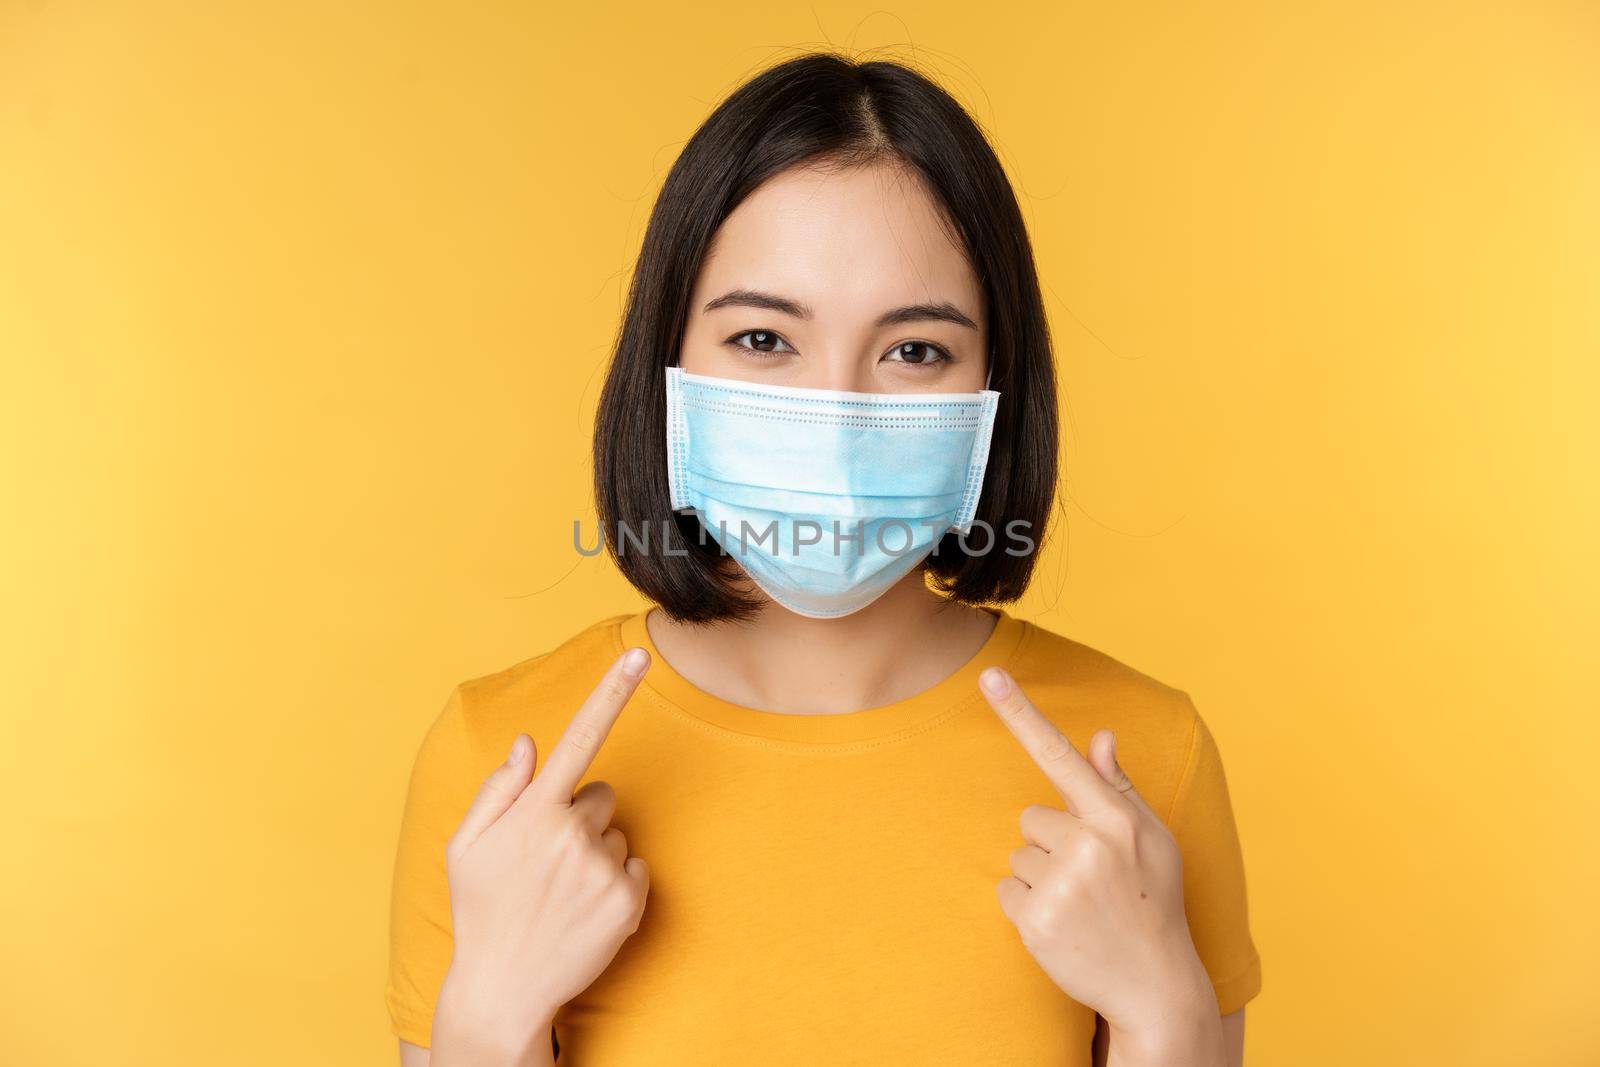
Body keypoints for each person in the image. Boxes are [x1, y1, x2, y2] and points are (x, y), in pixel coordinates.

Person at [387, 52, 1261, 1066]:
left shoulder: (1144, 760)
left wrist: (1166, 1016)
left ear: (997, 386)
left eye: (913, 350)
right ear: (666, 363)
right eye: (763, 339)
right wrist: (489, 1021)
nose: (836, 413)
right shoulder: (499, 765)